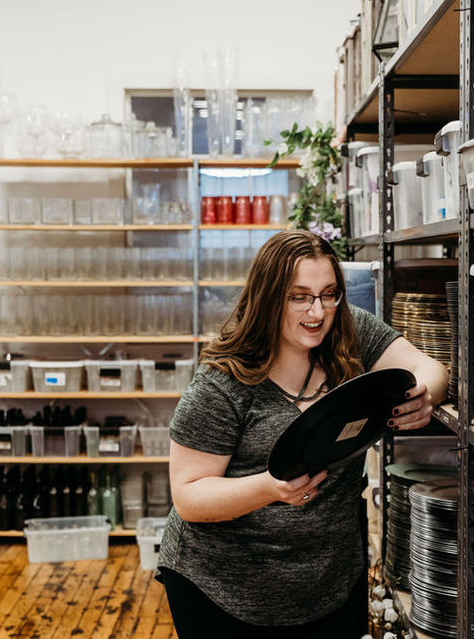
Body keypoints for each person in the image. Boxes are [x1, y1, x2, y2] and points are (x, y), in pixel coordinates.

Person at [157, 230, 449, 638]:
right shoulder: (223, 382)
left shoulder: (351, 332)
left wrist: (424, 395)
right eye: (300, 296)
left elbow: (431, 368)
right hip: (222, 590)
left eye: (329, 293)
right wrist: (269, 488)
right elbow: (189, 496)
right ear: (268, 298)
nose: (318, 311)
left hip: (329, 584)